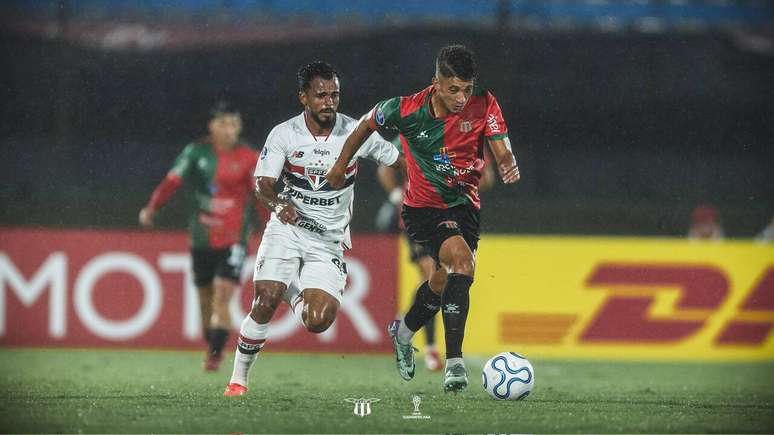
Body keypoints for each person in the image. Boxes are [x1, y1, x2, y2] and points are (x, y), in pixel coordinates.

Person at [326, 45, 520, 393]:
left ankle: (403, 331)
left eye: (467, 88)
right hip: (422, 209)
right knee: (462, 262)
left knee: (445, 279)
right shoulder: (406, 109)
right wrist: (341, 165)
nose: (462, 97)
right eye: (453, 89)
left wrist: (506, 160)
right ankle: (454, 364)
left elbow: (500, 145)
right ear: (436, 83)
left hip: (466, 207)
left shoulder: (484, 102)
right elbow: (364, 125)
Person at [223, 61, 402, 397]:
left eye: (334, 95)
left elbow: (398, 160)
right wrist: (278, 205)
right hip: (286, 229)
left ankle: (291, 291)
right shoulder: (284, 134)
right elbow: (262, 184)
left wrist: (430, 179)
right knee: (264, 299)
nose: (329, 102)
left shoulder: (356, 132)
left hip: (328, 240)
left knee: (317, 320)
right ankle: (238, 380)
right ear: (303, 97)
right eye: (320, 95)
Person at [139, 101, 264, 371]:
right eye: (223, 123)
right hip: (201, 238)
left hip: (234, 238)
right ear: (212, 126)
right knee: (205, 301)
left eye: (233, 124)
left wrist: (270, 226)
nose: (229, 130)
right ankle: (213, 344)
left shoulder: (250, 158)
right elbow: (172, 181)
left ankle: (215, 356)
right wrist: (152, 207)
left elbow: (260, 195)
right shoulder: (196, 153)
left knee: (222, 295)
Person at [376, 148, 495, 372]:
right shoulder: (418, 125)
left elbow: (487, 178)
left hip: (458, 217)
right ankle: (433, 349)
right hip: (422, 215)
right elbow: (385, 166)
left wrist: (464, 182)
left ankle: (405, 328)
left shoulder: (470, 132)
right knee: (430, 271)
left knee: (441, 281)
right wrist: (395, 196)